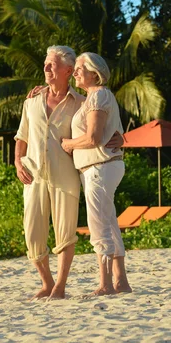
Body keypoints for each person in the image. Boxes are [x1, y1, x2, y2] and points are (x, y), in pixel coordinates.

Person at [15, 46, 123, 300]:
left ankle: (60, 286)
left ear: (67, 70)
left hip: (67, 175)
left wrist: (120, 138)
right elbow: (21, 135)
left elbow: (104, 127)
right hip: (33, 174)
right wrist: (18, 163)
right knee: (32, 233)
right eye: (45, 64)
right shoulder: (31, 100)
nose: (46, 69)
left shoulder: (84, 102)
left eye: (52, 65)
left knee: (67, 233)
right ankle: (47, 282)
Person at [61, 52, 132, 296]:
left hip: (99, 168)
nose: (75, 71)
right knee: (110, 222)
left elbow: (93, 138)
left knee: (98, 223)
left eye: (80, 67)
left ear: (94, 72)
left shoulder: (99, 94)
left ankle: (105, 284)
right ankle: (120, 281)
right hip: (101, 167)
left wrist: (68, 144)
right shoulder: (93, 97)